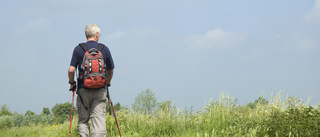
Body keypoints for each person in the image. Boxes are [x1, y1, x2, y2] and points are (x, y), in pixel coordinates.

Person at [68, 23, 115, 137]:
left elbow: (71, 70)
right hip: (100, 90)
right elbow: (111, 70)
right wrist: (108, 82)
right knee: (98, 120)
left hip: (83, 90)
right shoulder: (104, 49)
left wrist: (72, 83)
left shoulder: (78, 49)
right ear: (97, 34)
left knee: (83, 120)